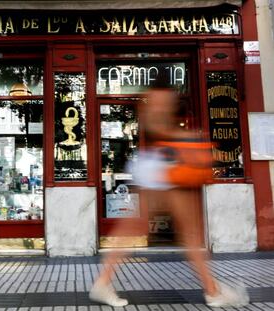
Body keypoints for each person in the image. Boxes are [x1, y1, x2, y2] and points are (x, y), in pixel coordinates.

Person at [89, 83, 249, 308]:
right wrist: (187, 137)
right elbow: (156, 127)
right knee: (183, 232)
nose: (165, 104)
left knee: (172, 230)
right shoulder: (158, 97)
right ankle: (212, 291)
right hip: (162, 167)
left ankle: (103, 282)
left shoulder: (157, 97)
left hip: (162, 166)